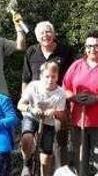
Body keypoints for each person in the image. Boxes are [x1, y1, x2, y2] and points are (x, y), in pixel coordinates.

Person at [62, 30, 98, 176]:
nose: (92, 50)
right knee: (80, 158)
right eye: (89, 46)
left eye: (96, 46)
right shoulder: (77, 65)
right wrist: (73, 97)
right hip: (78, 121)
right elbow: (65, 87)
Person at [22, 21, 74, 166]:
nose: (45, 35)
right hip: (34, 102)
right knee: (29, 137)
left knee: (57, 139)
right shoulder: (32, 51)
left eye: (48, 31)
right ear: (37, 37)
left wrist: (68, 95)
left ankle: (58, 170)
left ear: (54, 33)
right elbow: (26, 79)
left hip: (58, 102)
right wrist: (25, 104)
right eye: (42, 33)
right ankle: (28, 166)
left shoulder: (65, 51)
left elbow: (71, 76)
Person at [17, 61, 67, 176]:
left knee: (46, 156)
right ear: (41, 76)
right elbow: (20, 105)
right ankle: (26, 164)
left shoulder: (60, 93)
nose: (50, 80)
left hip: (48, 122)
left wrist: (54, 112)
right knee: (27, 138)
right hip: (31, 117)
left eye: (53, 76)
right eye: (47, 76)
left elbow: (62, 115)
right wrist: (31, 108)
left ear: (57, 76)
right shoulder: (33, 86)